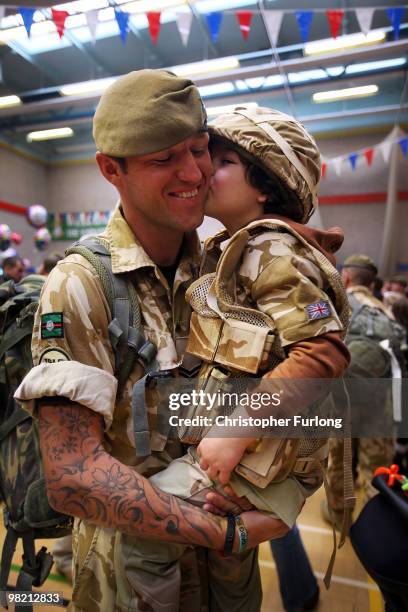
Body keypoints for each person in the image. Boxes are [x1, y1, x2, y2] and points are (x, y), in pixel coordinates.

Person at [15, 71, 287, 612]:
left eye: (200, 148)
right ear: (110, 169)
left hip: (228, 579)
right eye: (163, 159)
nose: (193, 172)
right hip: (131, 582)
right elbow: (73, 478)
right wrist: (224, 532)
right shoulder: (82, 284)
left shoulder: (226, 269)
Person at [122, 105, 350, 609]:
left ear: (265, 185)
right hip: (242, 458)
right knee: (228, 569)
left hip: (249, 455)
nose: (205, 171)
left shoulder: (271, 251)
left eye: (222, 162)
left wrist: (236, 429)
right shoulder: (233, 250)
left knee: (141, 529)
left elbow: (322, 350)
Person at [322, 254, 398, 529]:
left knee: (339, 460)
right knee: (375, 466)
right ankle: (372, 523)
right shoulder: (387, 310)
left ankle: (338, 515)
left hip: (342, 396)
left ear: (346, 278)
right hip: (381, 398)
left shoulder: (333, 306)